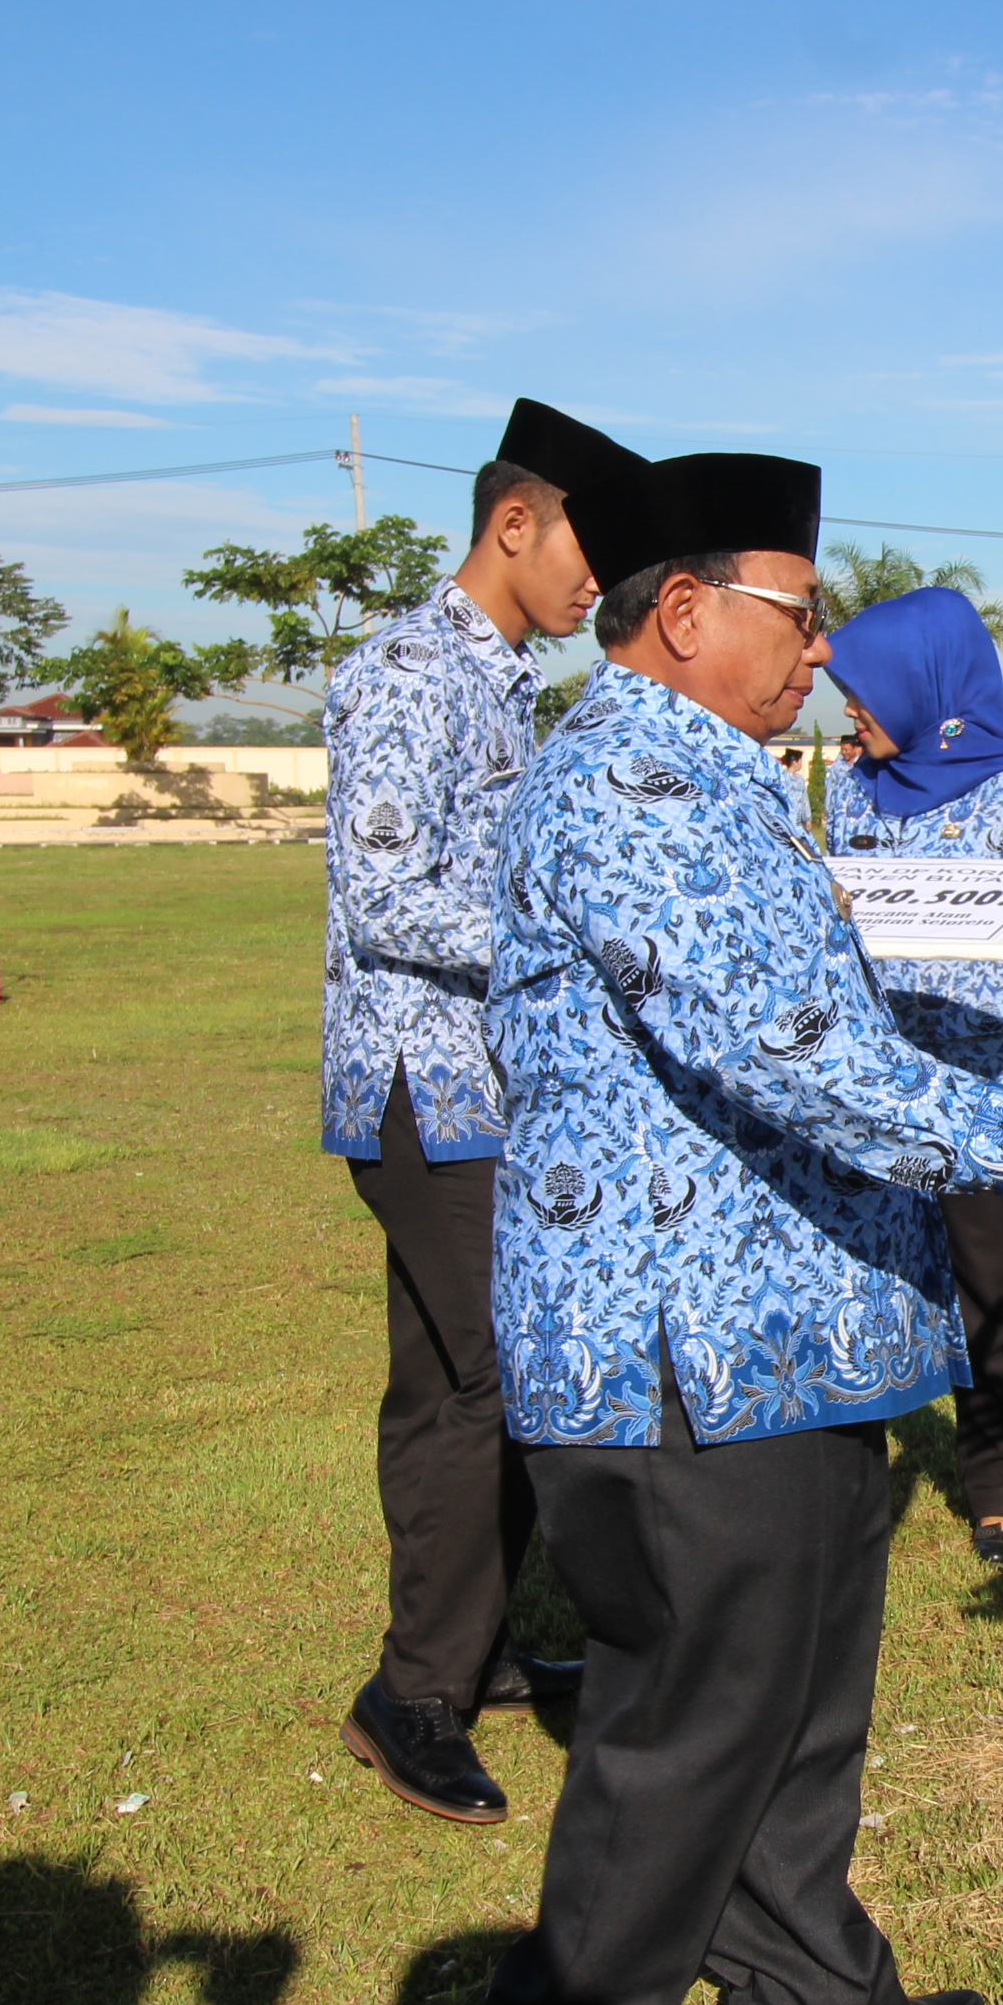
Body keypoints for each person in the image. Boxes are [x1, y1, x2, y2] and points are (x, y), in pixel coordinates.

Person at [461, 451, 1003, 2005]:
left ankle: (810, 2004)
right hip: (679, 1350)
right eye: (797, 615)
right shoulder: (630, 783)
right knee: (691, 1715)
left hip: (789, 1335)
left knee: (800, 1701)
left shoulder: (726, 779)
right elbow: (790, 1044)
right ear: (684, 614)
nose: (819, 650)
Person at [320, 397, 636, 1826]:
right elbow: (387, 902)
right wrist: (559, 933)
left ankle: (476, 1645)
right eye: (591, 548)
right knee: (489, 1381)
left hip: (480, 1082)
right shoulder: (405, 674)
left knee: (445, 1382)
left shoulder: (503, 676)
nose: (598, 582)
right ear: (516, 524)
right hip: (422, 1083)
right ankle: (414, 1696)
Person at [825, 588, 1003, 1565]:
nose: (846, 708)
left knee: (988, 1289)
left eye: (860, 688)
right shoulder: (849, 786)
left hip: (987, 1091)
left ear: (920, 681)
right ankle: (845, 1465)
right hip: (870, 1086)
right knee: (863, 1274)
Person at [825, 730, 874, 853]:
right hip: (839, 809)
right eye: (843, 749)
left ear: (855, 748)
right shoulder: (837, 767)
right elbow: (831, 788)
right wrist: (828, 808)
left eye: (847, 749)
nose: (844, 752)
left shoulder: (861, 765)